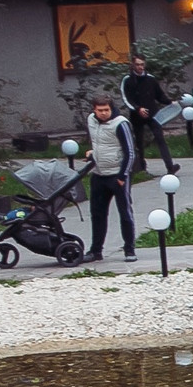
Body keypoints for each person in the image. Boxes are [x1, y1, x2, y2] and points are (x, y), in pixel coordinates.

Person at [83, 98, 140, 263]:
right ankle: (96, 250)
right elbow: (98, 143)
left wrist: (122, 177)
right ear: (94, 110)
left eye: (106, 110)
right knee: (97, 214)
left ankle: (129, 249)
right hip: (98, 174)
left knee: (125, 214)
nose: (103, 113)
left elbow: (130, 152)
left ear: (111, 109)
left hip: (117, 175)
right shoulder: (91, 121)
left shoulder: (121, 124)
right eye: (100, 110)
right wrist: (92, 153)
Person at [118, 55, 180, 176]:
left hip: (153, 115)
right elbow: (126, 98)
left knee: (160, 139)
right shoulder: (127, 80)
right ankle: (141, 168)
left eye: (142, 64)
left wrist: (170, 102)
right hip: (136, 116)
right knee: (139, 142)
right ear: (133, 65)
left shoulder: (151, 79)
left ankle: (170, 166)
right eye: (137, 64)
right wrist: (137, 109)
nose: (140, 67)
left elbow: (159, 95)